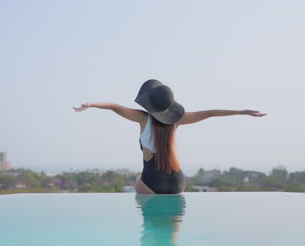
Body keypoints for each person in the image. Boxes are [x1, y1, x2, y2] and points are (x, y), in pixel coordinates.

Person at [73, 79, 267, 195]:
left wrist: (92, 104)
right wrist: (243, 112)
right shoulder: (177, 120)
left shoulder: (142, 118)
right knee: (171, 242)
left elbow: (115, 107)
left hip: (151, 183)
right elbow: (209, 113)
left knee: (149, 232)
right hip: (177, 183)